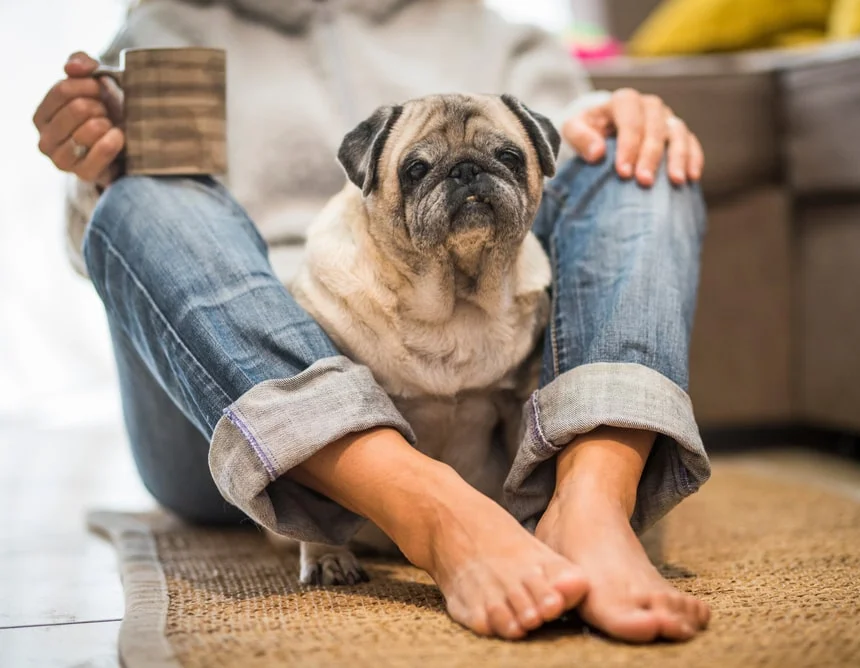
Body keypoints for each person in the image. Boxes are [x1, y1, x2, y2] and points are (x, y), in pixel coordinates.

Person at [34, 0, 712, 644]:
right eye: (422, 170)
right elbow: (119, 249)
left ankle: (590, 503)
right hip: (245, 401)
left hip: (494, 367)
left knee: (639, 158)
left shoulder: (480, 23)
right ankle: (430, 510)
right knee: (139, 195)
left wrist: (617, 116)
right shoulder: (166, 26)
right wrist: (95, 172)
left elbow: (572, 149)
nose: (467, 179)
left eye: (498, 160)